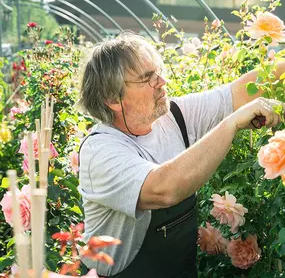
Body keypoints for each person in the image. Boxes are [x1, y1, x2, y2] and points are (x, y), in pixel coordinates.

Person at [78, 32, 285, 278]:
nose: (162, 81)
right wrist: (231, 124)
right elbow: (164, 189)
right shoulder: (101, 151)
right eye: (148, 78)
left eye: (158, 71)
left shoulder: (175, 117)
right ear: (112, 97)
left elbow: (238, 94)